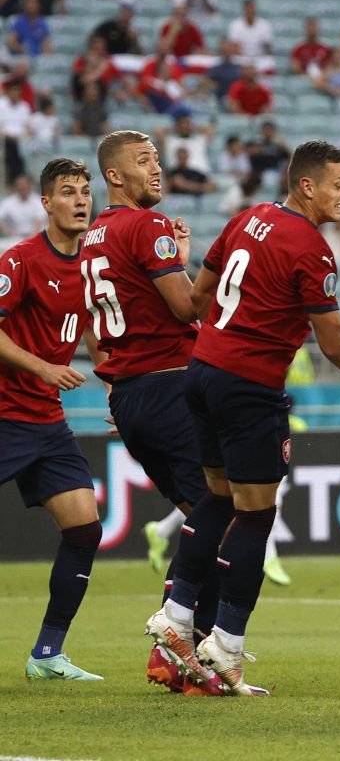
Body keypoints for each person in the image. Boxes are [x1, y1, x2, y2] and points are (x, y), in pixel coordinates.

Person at [145, 141, 340, 696]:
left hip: (202, 371)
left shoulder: (245, 219)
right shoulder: (312, 249)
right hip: (249, 386)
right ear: (307, 186)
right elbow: (337, 343)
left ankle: (176, 615)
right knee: (255, 516)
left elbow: (200, 296)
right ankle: (224, 647)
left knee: (219, 496)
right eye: (339, 182)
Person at [83, 130, 227, 695]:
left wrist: (121, 383)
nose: (157, 168)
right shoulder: (147, 226)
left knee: (204, 516)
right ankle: (186, 645)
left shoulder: (94, 235)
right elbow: (187, 305)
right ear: (114, 175)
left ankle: (183, 655)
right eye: (143, 160)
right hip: (170, 385)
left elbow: (113, 310)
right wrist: (218, 270)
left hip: (132, 392)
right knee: (222, 513)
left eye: (158, 158)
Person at [0, 159, 103, 682]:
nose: (81, 200)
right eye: (68, 192)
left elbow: (94, 334)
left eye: (86, 191)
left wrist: (117, 390)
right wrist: (44, 368)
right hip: (3, 415)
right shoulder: (19, 261)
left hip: (46, 422)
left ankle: (47, 654)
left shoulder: (90, 265)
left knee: (85, 529)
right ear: (46, 203)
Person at [0, 174, 47, 241]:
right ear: (16, 186)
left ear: (29, 185)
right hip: (15, 237)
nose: (22, 187)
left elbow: (40, 221)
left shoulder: (38, 200)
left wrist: (32, 237)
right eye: (20, 184)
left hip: (36, 236)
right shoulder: (8, 202)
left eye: (25, 184)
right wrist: (9, 233)